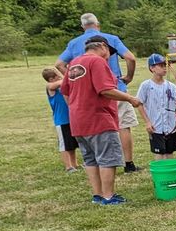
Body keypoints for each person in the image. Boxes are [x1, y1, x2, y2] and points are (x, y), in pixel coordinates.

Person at [60, 35, 146, 206]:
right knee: (107, 157)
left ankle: (98, 195)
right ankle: (108, 196)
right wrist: (130, 98)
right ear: (102, 46)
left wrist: (76, 107)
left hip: (78, 121)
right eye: (109, 52)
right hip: (99, 119)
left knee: (90, 159)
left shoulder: (74, 63)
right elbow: (105, 90)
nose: (109, 56)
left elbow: (65, 91)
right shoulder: (97, 62)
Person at [55, 13, 141, 173]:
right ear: (98, 24)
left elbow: (59, 64)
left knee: (96, 129)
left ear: (82, 27)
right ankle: (128, 164)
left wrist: (76, 79)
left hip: (87, 96)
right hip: (115, 89)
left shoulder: (74, 43)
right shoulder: (110, 39)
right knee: (123, 126)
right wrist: (128, 77)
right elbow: (130, 58)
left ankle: (96, 164)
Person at [136, 54, 176, 160]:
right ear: (152, 68)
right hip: (155, 127)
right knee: (160, 153)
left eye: (165, 65)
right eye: (160, 65)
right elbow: (139, 104)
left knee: (170, 152)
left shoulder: (171, 86)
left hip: (170, 127)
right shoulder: (146, 85)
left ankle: (170, 175)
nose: (164, 68)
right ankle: (161, 176)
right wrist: (147, 122)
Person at [41, 67, 79, 172]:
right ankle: (68, 166)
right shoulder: (50, 86)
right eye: (57, 76)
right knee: (64, 145)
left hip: (70, 119)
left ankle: (75, 164)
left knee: (72, 144)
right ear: (51, 79)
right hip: (61, 121)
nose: (60, 77)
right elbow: (64, 81)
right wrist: (63, 75)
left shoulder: (60, 85)